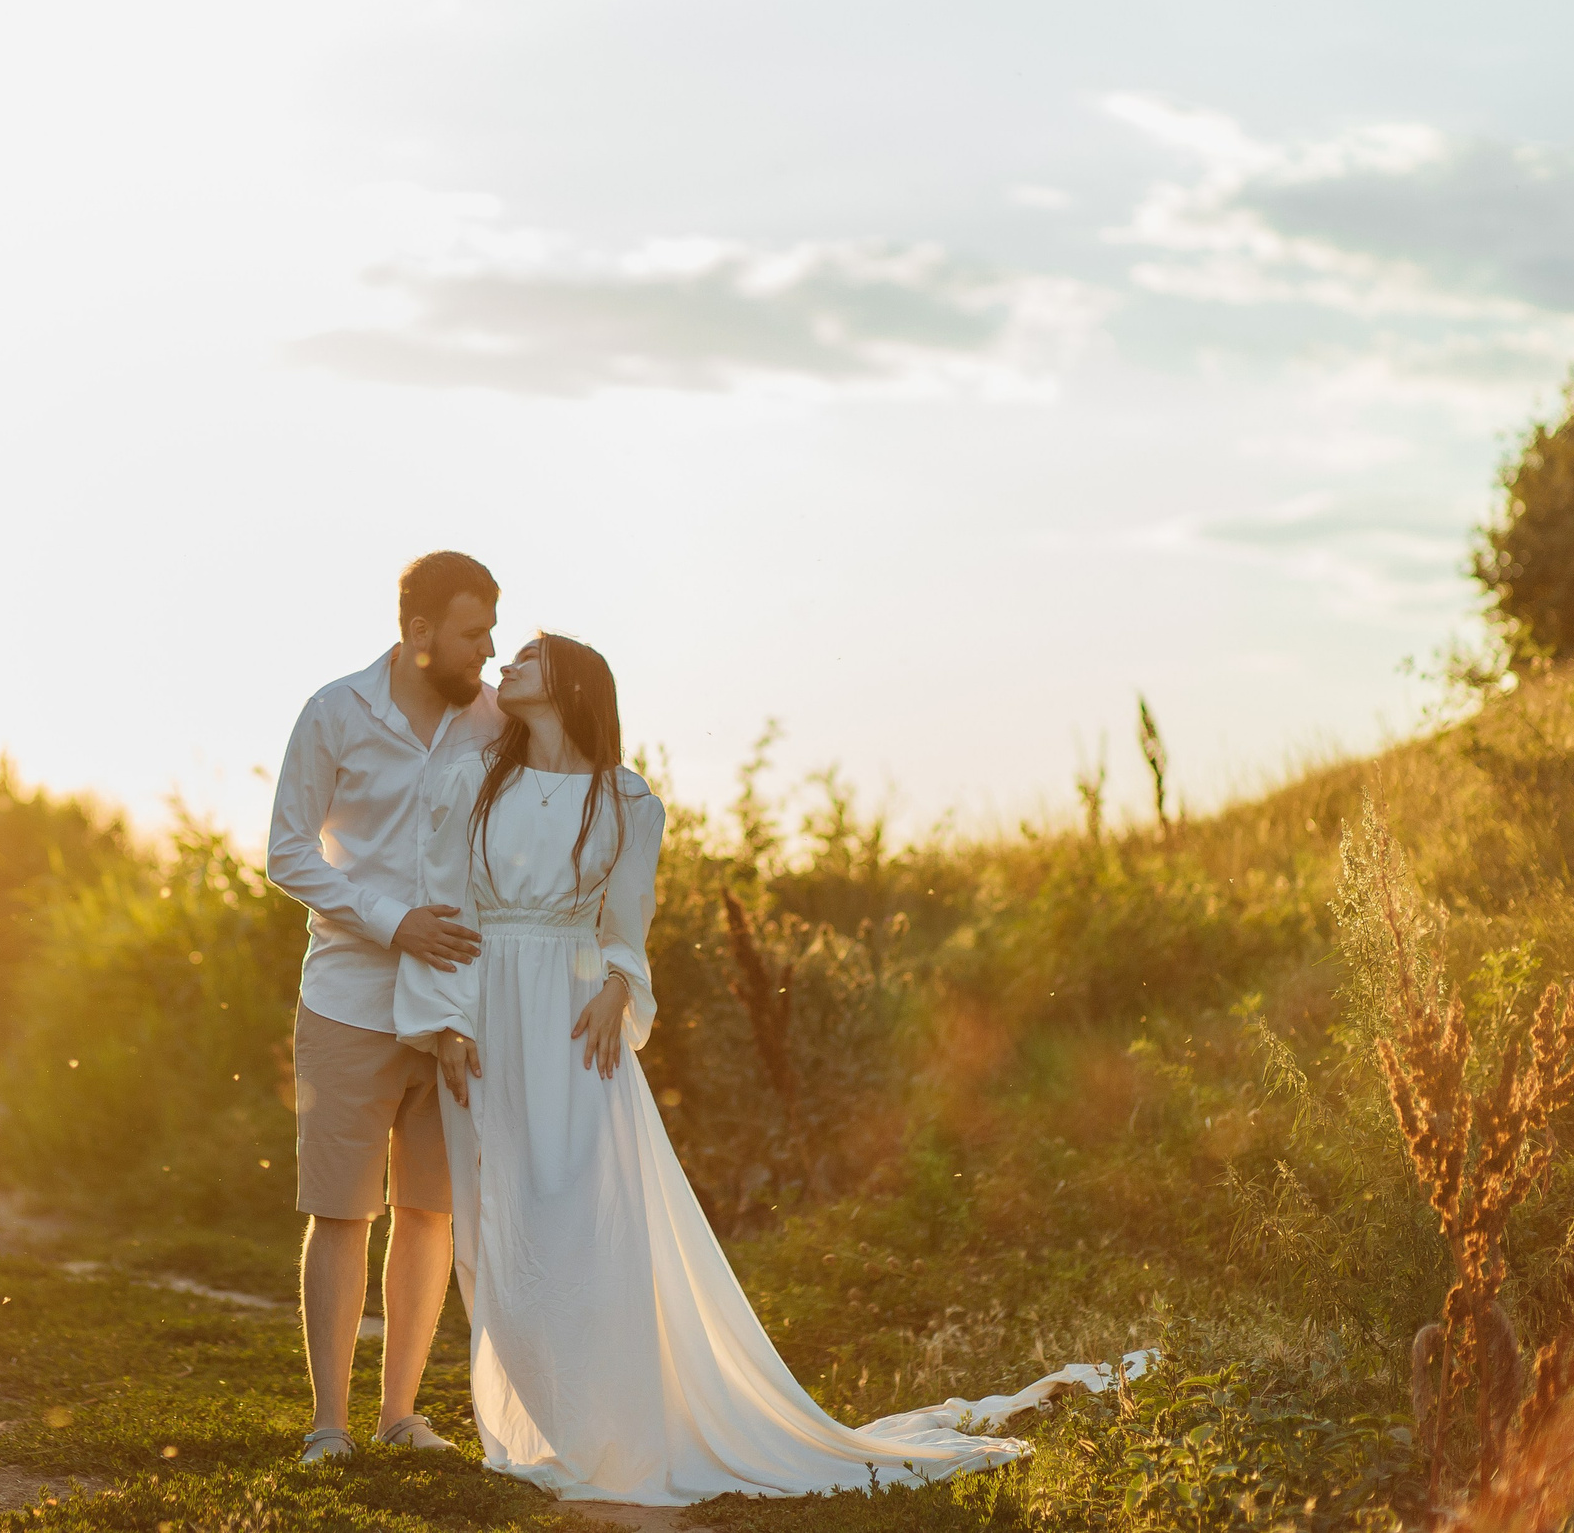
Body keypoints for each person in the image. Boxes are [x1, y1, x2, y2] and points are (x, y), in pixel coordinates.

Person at [395, 633, 1136, 1505]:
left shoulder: (626, 799)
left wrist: (617, 988)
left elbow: (626, 932)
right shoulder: (472, 784)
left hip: (571, 1023)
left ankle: (615, 1428)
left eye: (528, 655)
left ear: (572, 682)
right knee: (499, 1222)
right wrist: (444, 1021)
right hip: (486, 1021)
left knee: (580, 1223)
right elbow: (439, 907)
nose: (507, 666)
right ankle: (554, 1427)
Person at [266, 551, 504, 1463]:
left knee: (432, 1212)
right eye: (472, 633)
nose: (487, 650)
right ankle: (329, 1425)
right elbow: (289, 851)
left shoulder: (493, 721)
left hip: (454, 1006)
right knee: (341, 1210)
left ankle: (398, 1416)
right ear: (418, 634)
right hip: (350, 1000)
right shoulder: (335, 712)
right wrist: (392, 920)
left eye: (489, 631)